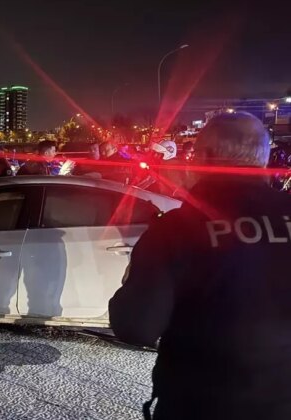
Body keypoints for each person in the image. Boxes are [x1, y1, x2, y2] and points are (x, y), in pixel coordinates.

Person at [109, 112, 291, 419]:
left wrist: (131, 284)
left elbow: (136, 327)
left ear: (203, 158)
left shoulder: (176, 230)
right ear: (263, 157)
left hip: (200, 402)